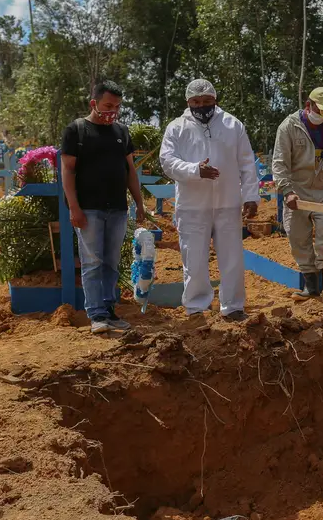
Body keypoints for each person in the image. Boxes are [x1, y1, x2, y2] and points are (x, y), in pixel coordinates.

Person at [160, 79, 259, 321]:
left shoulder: (232, 125)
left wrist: (250, 196)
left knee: (232, 258)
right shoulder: (176, 127)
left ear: (215, 101)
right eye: (196, 102)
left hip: (228, 202)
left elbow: (247, 162)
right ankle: (196, 308)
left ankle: (233, 307)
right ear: (188, 102)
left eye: (207, 101)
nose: (201, 106)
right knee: (193, 260)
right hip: (192, 206)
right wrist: (195, 171)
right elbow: (167, 161)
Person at [60, 80, 146, 335]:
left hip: (117, 208)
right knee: (92, 262)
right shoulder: (76, 130)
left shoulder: (121, 132)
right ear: (93, 103)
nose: (113, 111)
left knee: (111, 262)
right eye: (108, 105)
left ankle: (109, 310)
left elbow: (130, 170)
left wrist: (139, 203)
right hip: (89, 209)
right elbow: (67, 170)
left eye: (117, 107)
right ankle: (96, 314)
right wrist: (74, 207)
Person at [271, 87, 323, 301]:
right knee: (298, 237)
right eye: (319, 110)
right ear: (308, 105)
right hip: (297, 191)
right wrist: (287, 192)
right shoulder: (288, 127)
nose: (322, 116)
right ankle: (311, 286)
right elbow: (279, 163)